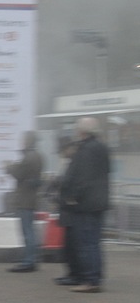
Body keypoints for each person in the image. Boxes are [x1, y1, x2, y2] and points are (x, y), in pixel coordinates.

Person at [55, 117, 111, 292]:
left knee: (87, 243)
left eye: (77, 129)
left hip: (86, 204)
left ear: (82, 131)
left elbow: (83, 178)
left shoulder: (86, 149)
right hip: (99, 202)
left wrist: (73, 196)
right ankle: (91, 277)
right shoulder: (102, 147)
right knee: (93, 242)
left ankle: (91, 280)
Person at [4, 130, 44, 272]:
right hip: (32, 198)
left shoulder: (28, 158)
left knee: (27, 231)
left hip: (25, 199)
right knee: (30, 230)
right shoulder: (38, 156)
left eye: (23, 139)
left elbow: (19, 174)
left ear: (28, 141)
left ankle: (28, 261)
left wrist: (8, 167)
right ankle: (31, 258)